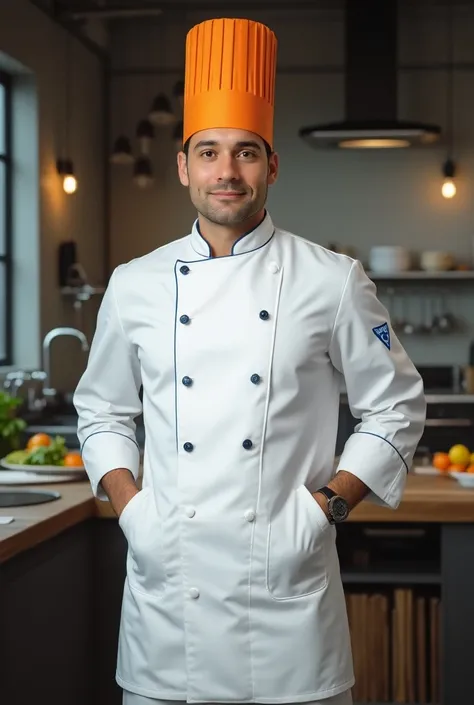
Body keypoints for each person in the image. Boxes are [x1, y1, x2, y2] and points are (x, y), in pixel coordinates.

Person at [73, 17, 426, 705]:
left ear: (273, 164)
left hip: (288, 607)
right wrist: (132, 511)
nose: (226, 172)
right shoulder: (135, 282)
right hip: (166, 603)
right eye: (207, 152)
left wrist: (325, 508)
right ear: (182, 166)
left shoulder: (333, 279)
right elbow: (102, 408)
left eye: (246, 153)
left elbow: (397, 405)